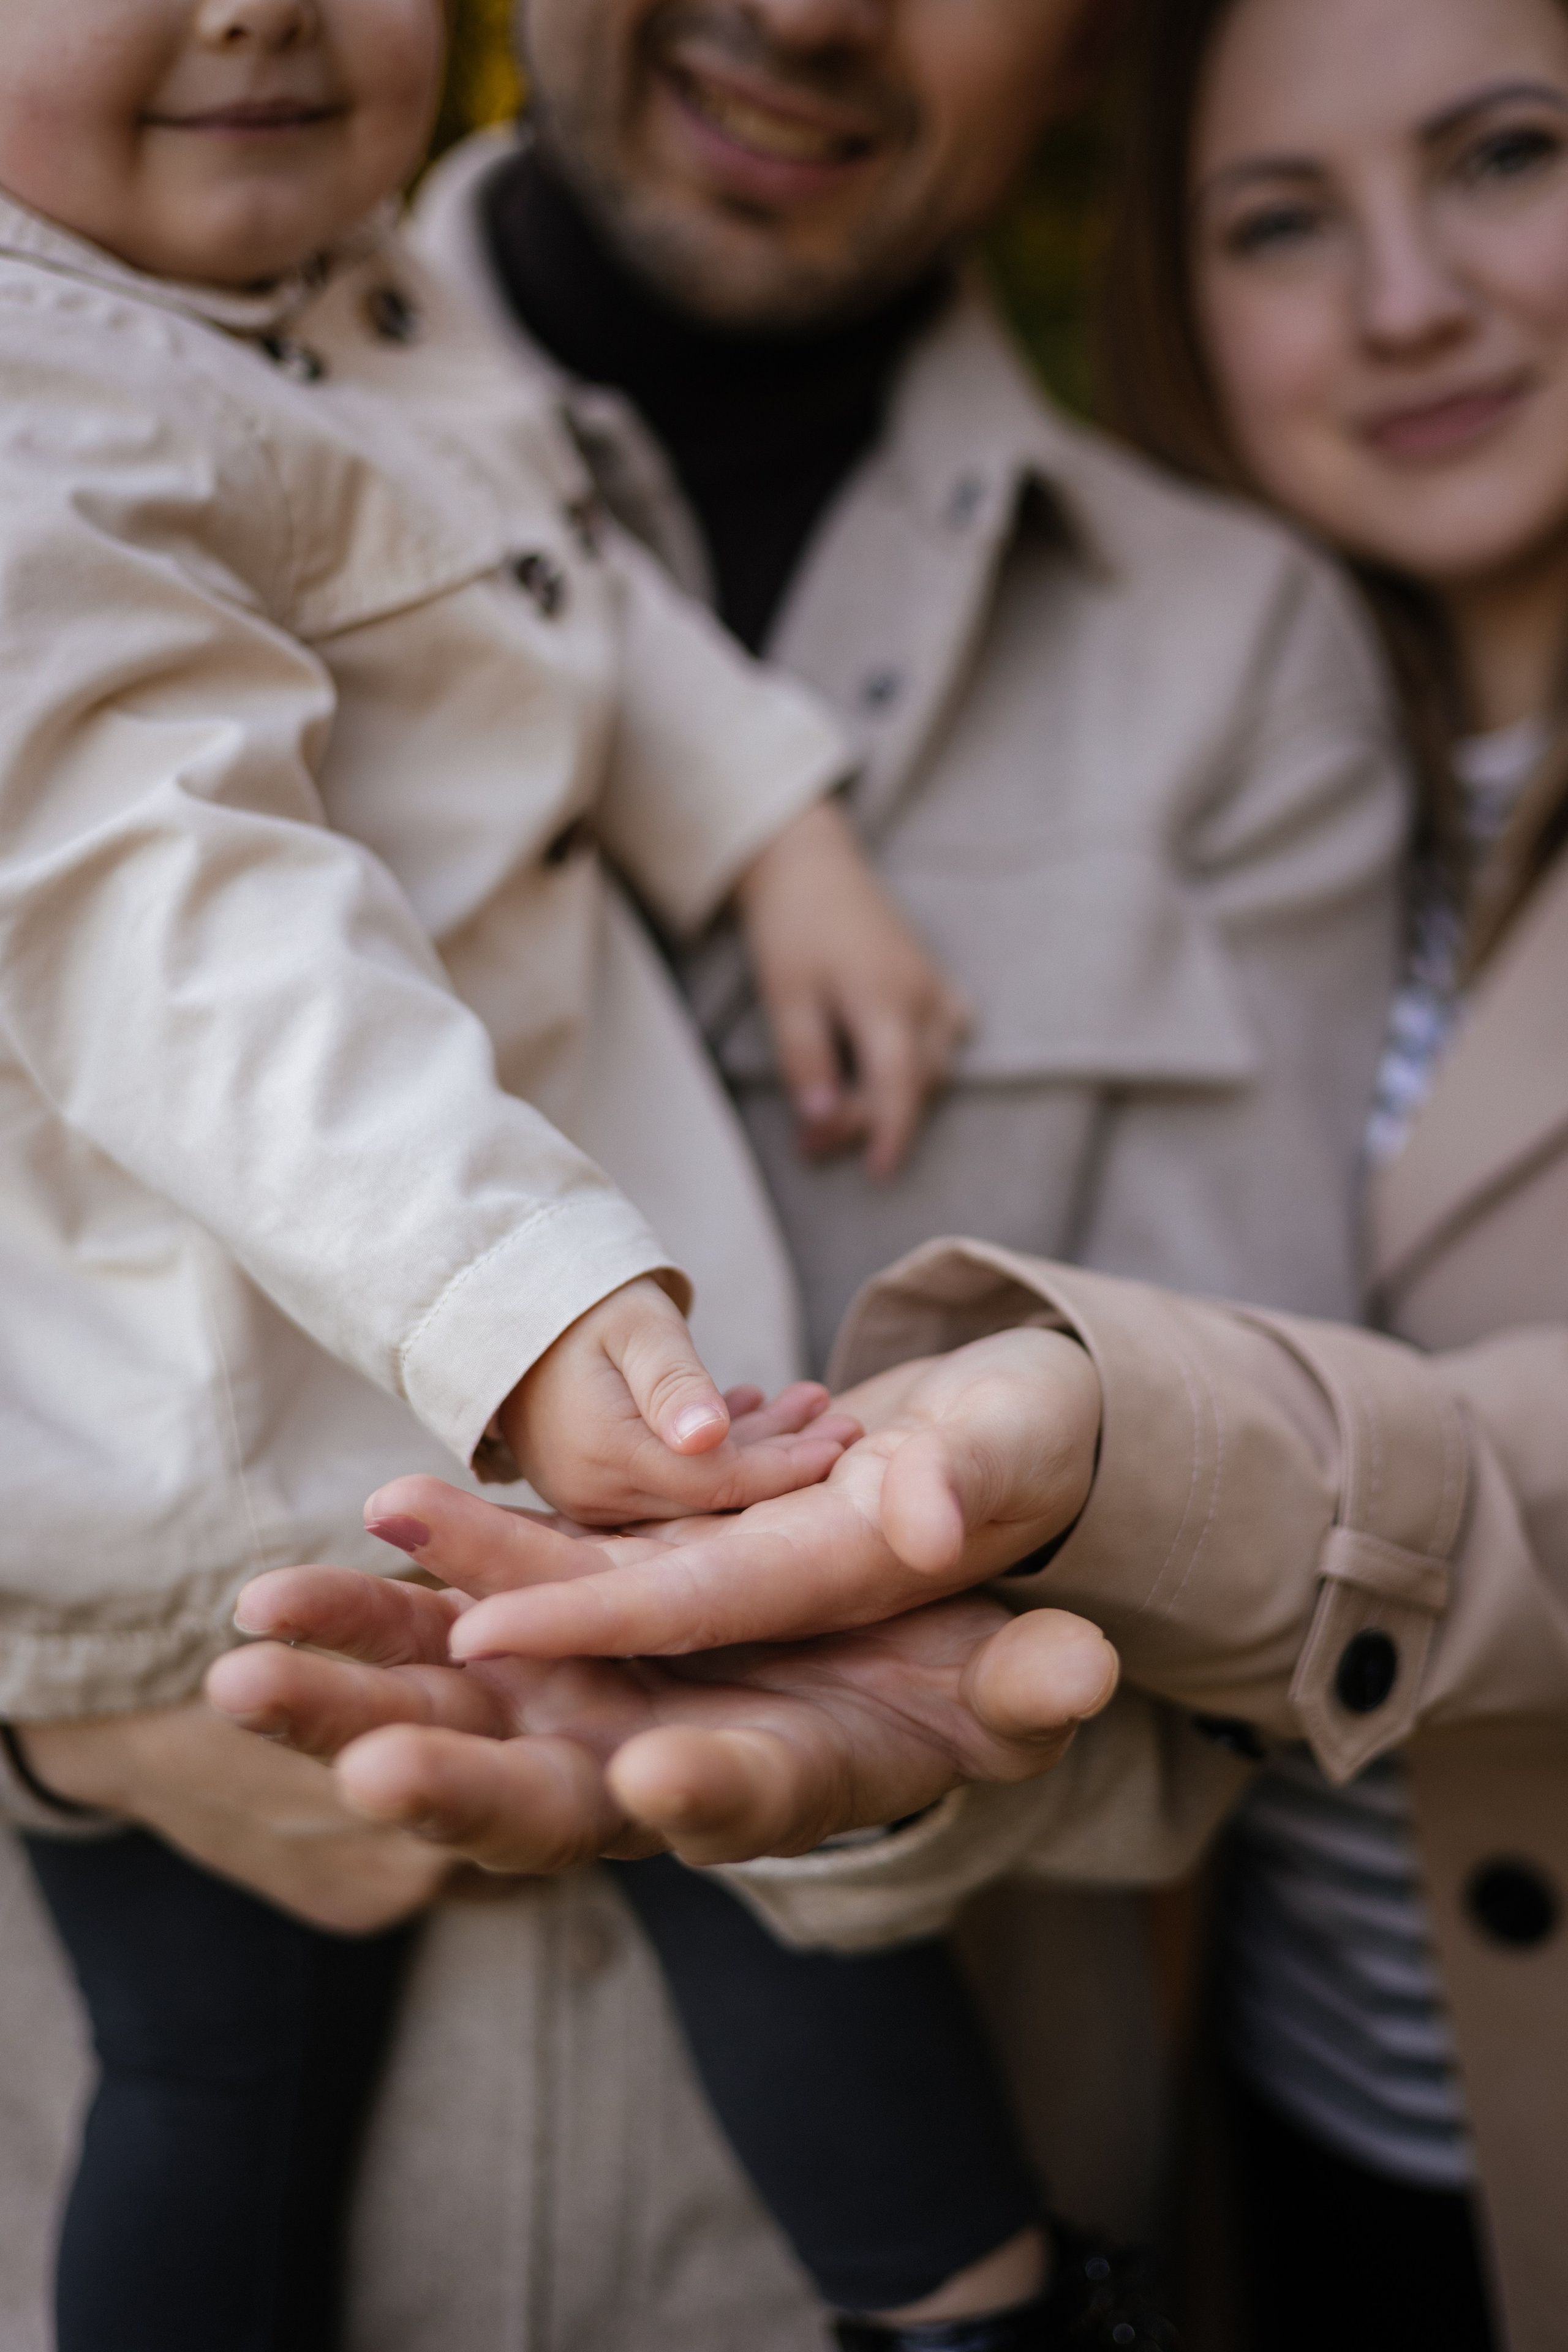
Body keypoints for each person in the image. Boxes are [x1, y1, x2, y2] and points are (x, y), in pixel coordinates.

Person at [0, 6, 1410, 2352]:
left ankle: (980, 2301)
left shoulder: (368, 331)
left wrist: (779, 829)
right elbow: (170, 910)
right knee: (214, 2067)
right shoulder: (41, 409)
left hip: (627, 1602)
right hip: (201, 1478)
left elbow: (545, 572)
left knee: (738, 1849)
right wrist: (54, 1689)